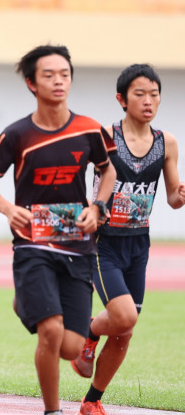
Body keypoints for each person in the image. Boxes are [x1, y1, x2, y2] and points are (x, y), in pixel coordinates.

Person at [0, 44, 116, 415]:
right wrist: (9, 209)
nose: (58, 81)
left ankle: (25, 300)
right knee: (50, 330)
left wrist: (97, 207)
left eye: (64, 74)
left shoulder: (89, 129)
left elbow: (108, 171)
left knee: (70, 347)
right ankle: (53, 410)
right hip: (32, 245)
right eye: (49, 75)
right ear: (31, 83)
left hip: (77, 247)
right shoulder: (16, 134)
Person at [71, 64, 185, 415]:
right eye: (140, 94)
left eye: (154, 94)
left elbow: (172, 198)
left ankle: (92, 401)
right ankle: (88, 332)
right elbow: (74, 178)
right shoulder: (104, 137)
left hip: (138, 244)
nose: (148, 101)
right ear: (122, 99)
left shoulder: (167, 143)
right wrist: (86, 209)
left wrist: (181, 195)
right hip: (103, 242)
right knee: (124, 317)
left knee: (125, 331)